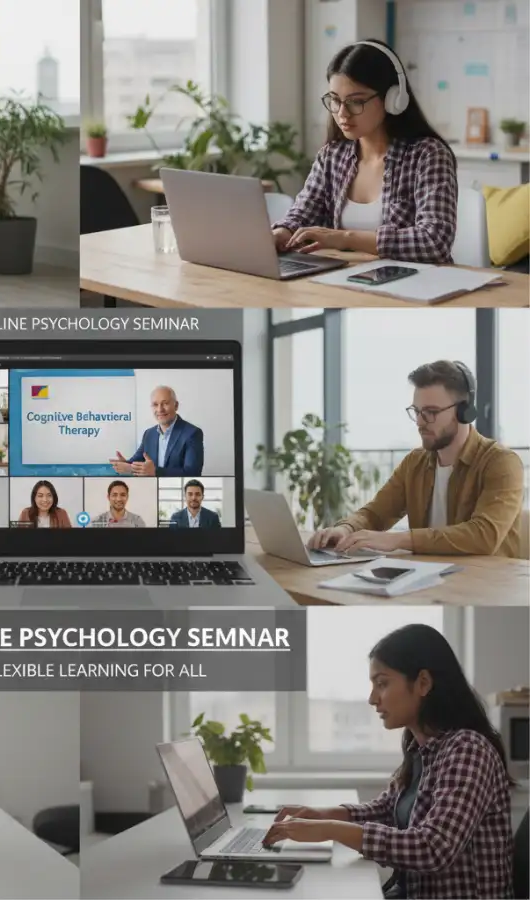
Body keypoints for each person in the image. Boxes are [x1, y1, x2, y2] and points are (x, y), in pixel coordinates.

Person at [264, 623, 514, 900]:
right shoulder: (420, 747)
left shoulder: (468, 749)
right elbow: (387, 809)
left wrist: (330, 830)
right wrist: (323, 814)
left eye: (382, 683)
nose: (372, 699)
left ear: (423, 683)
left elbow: (433, 848)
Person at [309, 360, 524, 557]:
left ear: (464, 412)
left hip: (485, 586)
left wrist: (399, 540)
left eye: (431, 412)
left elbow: (483, 536)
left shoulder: (502, 463)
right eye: (417, 411)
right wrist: (346, 528)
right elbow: (376, 513)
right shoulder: (415, 462)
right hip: (427, 580)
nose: (420, 422)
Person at [272, 40, 458, 264]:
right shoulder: (331, 156)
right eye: (335, 100)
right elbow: (302, 214)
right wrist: (283, 232)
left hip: (415, 284)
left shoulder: (428, 155)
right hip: (348, 281)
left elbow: (434, 242)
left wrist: (346, 238)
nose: (342, 114)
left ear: (393, 100)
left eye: (355, 102)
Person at [110, 386, 204, 477]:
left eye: (165, 403)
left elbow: (193, 473)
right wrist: (126, 464)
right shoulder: (149, 434)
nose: (160, 409)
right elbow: (137, 461)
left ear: (176, 405)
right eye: (155, 404)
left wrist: (155, 471)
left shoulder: (192, 433)